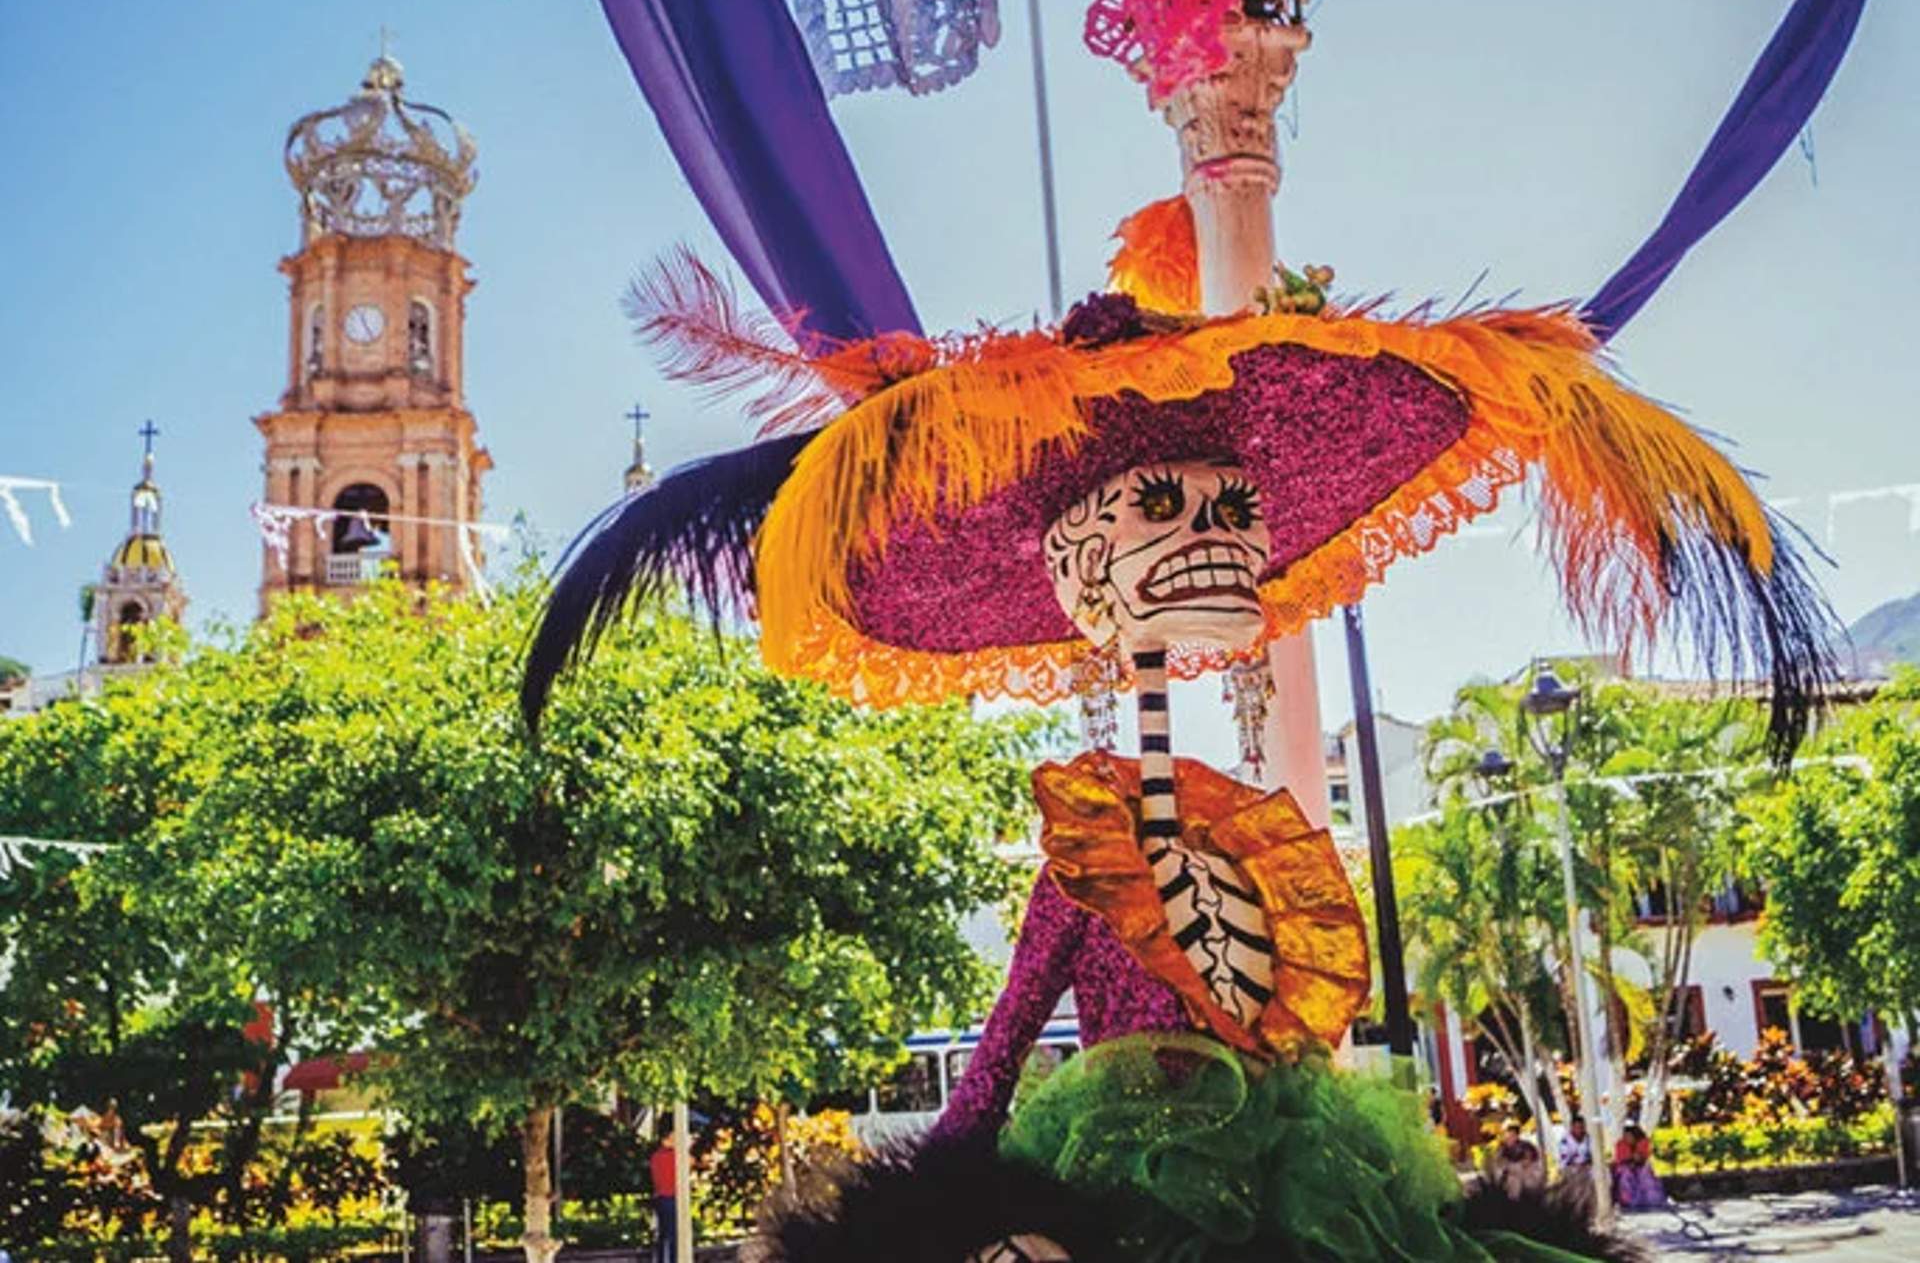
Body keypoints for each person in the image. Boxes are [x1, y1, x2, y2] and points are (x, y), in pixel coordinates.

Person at [528, 217, 1832, 1259]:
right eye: (1168, 504)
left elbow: (1282, 1027)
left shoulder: (1237, 834)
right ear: (1088, 566)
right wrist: (928, 1217)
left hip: (1312, 1181)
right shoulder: (1080, 861)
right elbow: (991, 1067)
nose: (1216, 529)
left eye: (1229, 502)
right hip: (1109, 1194)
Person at [1612, 1123, 1667, 1209]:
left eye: (1630, 1136)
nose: (1628, 1138)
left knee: (1647, 1175)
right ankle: (1627, 1200)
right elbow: (1620, 1160)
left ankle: (1652, 1200)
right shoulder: (1620, 1144)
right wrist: (1631, 1159)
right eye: (1625, 1136)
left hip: (1641, 1168)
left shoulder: (1644, 1142)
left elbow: (1645, 1157)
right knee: (1625, 1175)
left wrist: (1639, 1158)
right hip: (1625, 1169)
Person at [1486, 1121, 1547, 1199]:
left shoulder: (1526, 1147)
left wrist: (1510, 1167)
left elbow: (1526, 1163)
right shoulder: (1502, 1148)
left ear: (1517, 1136)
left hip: (1528, 1176)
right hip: (1511, 1177)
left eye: (1512, 1136)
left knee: (1515, 1180)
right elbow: (1499, 1163)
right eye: (1507, 1135)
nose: (1509, 1138)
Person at [649, 1134, 678, 1263]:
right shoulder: (671, 1156)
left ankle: (663, 1259)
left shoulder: (656, 1156)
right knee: (672, 1235)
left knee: (664, 1234)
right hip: (669, 1196)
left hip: (662, 1197)